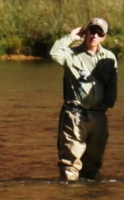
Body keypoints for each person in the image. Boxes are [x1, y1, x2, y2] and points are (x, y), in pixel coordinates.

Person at [49, 18, 118, 181]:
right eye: (92, 31)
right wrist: (70, 37)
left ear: (104, 37)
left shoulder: (109, 57)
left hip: (99, 117)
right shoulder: (71, 54)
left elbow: (113, 84)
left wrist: (108, 104)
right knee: (70, 163)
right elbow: (54, 53)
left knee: (93, 165)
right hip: (75, 115)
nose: (94, 35)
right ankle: (70, 199)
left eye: (99, 33)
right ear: (86, 32)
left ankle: (88, 199)